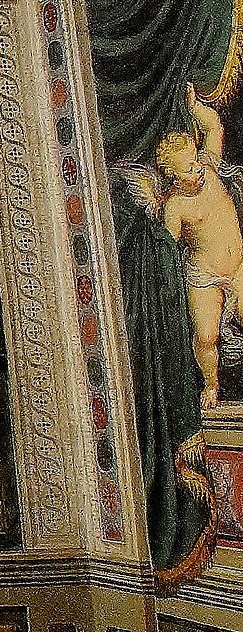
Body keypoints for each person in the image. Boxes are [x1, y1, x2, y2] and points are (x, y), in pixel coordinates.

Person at [124, 84, 243, 409]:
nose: (197, 169)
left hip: (238, 268)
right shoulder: (175, 206)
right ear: (174, 177)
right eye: (189, 168)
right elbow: (167, 247)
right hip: (203, 278)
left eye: (195, 161)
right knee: (206, 336)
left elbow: (213, 126)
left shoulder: (210, 169)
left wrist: (194, 107)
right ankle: (211, 384)